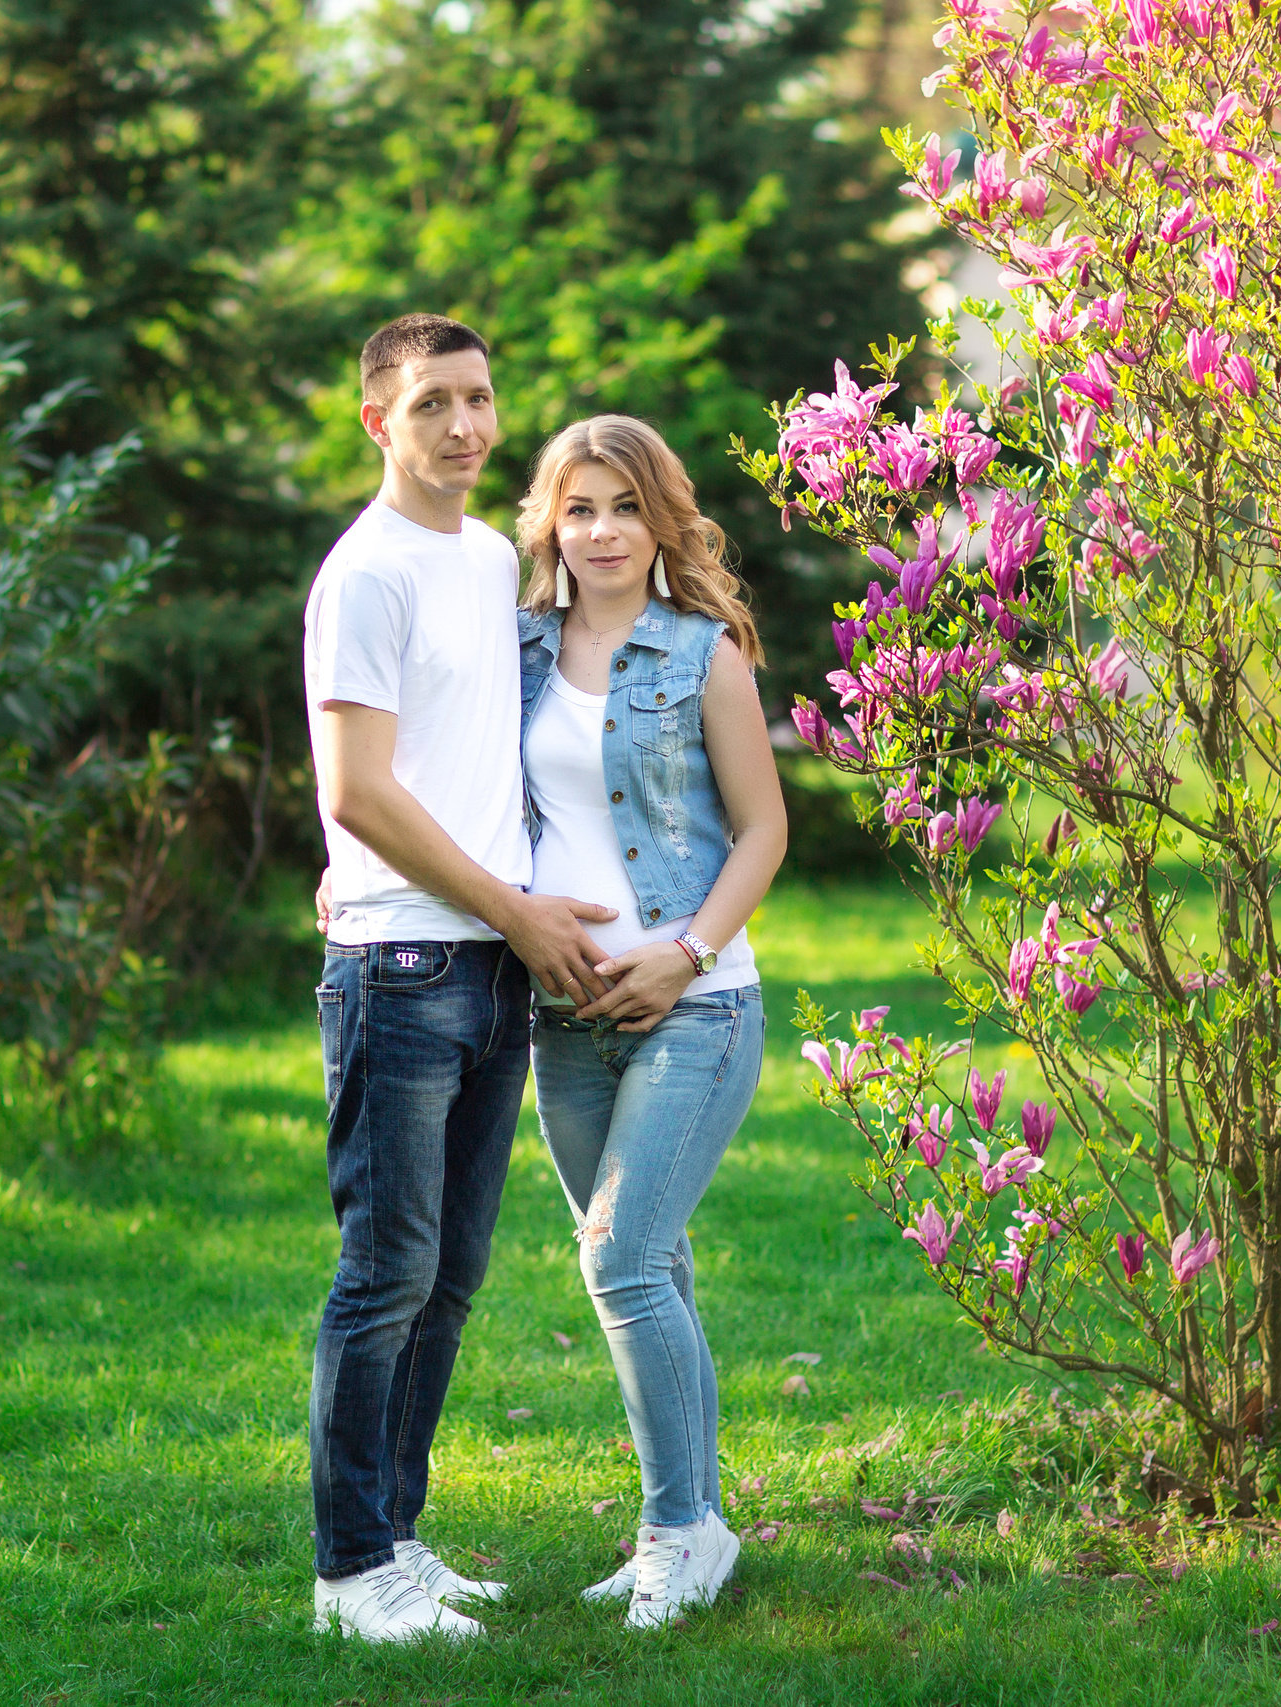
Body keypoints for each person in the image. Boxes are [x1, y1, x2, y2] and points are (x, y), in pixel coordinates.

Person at [302, 315, 620, 1643]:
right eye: (431, 401)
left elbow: (478, 746)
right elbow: (357, 788)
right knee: (384, 1275)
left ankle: (398, 1538)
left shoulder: (490, 557)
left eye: (478, 398)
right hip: (404, 964)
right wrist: (509, 910)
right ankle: (348, 1574)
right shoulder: (366, 574)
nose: (463, 425)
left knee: (448, 1278)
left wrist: (521, 917)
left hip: (488, 964)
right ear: (379, 420)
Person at [513, 416, 787, 1628]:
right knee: (649, 1265)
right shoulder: (515, 650)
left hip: (696, 1007)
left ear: (661, 518)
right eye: (579, 508)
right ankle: (689, 1522)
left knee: (617, 1258)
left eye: (625, 506)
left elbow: (765, 830)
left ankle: (680, 1532)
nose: (603, 531)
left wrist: (684, 955)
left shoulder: (701, 654)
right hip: (562, 1015)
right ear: (549, 524)